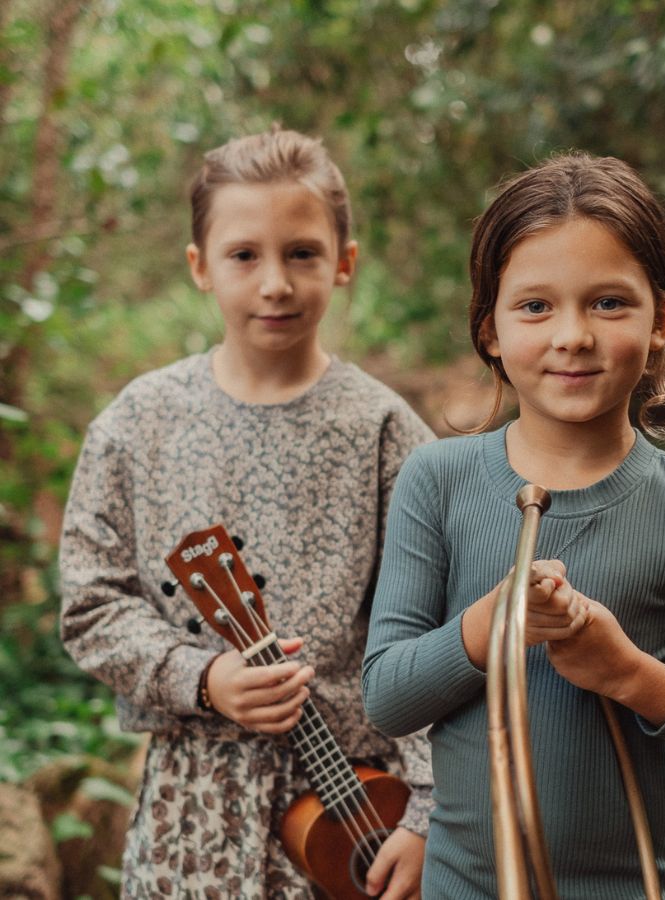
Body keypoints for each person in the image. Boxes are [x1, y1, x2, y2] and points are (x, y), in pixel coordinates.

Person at [362, 152, 665, 899]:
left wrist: (628, 673)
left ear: (661, 323)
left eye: (608, 303)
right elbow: (388, 697)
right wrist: (490, 625)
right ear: (490, 330)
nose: (572, 335)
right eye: (535, 307)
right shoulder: (438, 479)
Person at [59, 126, 435, 900]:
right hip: (192, 815)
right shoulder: (137, 425)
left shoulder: (384, 431)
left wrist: (427, 813)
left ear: (344, 261)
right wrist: (202, 677)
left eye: (301, 253)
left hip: (359, 812)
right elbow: (91, 605)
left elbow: (438, 631)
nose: (275, 284)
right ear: (200, 266)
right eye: (243, 255)